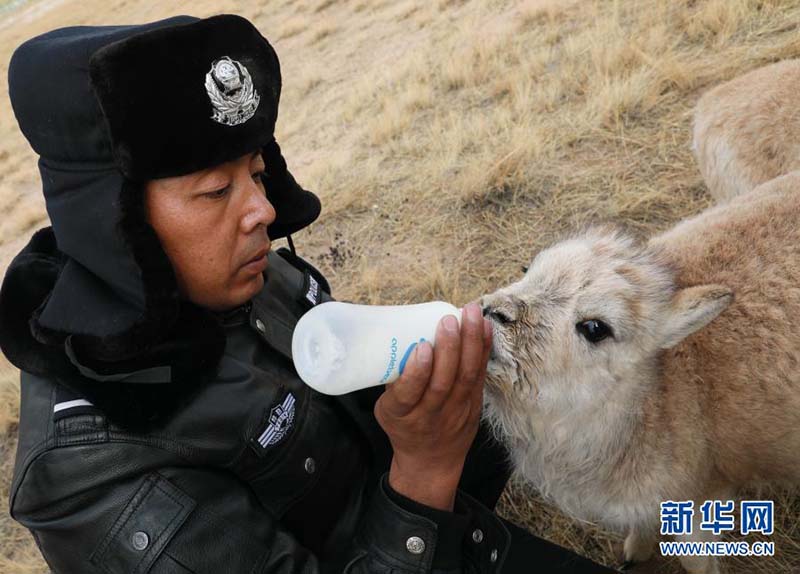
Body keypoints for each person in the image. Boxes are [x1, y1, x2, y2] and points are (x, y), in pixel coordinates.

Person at [0, 14, 620, 574]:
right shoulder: (86, 481)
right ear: (117, 226)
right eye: (217, 191)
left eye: (258, 174)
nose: (263, 212)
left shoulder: (234, 276)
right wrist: (423, 474)